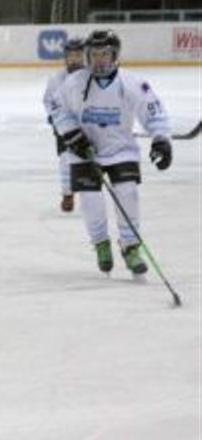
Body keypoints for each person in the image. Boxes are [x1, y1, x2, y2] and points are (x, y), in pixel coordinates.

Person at [49, 29, 173, 276]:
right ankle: (101, 243)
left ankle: (130, 247)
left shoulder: (133, 83)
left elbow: (154, 112)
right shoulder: (74, 83)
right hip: (85, 152)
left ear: (115, 55)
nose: (99, 59)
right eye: (94, 54)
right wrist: (73, 135)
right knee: (91, 200)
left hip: (121, 150)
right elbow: (58, 109)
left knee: (128, 194)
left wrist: (161, 139)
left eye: (105, 54)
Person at [42, 36, 85, 212]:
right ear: (66, 57)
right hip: (63, 126)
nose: (74, 59)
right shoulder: (56, 79)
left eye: (78, 55)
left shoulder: (90, 76)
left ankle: (90, 194)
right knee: (65, 160)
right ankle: (67, 194)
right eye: (71, 55)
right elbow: (47, 101)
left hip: (86, 126)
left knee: (87, 160)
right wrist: (53, 116)